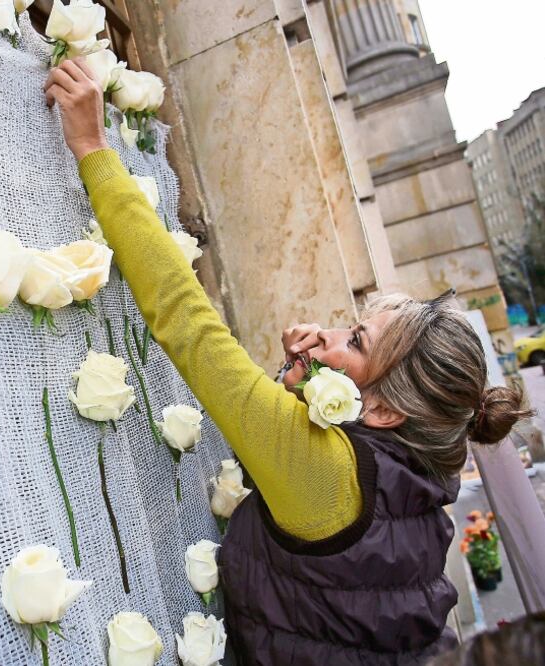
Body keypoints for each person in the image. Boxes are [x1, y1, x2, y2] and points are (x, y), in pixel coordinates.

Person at [43, 57, 533, 664]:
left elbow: (188, 323)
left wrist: (91, 145)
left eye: (353, 341)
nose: (322, 334)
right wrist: (301, 387)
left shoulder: (331, 475)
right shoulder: (420, 483)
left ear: (381, 411)